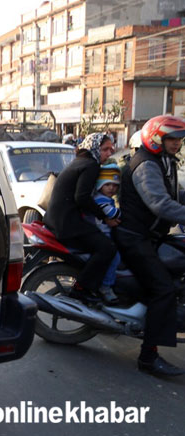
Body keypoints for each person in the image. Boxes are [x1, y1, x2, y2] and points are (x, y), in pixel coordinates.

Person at [112, 115, 185, 377]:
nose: (177, 144)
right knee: (163, 289)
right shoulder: (145, 165)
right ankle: (148, 357)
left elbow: (174, 195)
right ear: (156, 137)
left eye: (179, 139)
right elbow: (160, 204)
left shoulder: (163, 161)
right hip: (135, 237)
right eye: (172, 139)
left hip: (150, 234)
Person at [44, 132, 119, 304]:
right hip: (67, 223)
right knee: (107, 248)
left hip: (58, 220)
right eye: (105, 149)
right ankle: (82, 288)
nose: (109, 153)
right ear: (94, 147)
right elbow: (82, 198)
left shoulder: (80, 161)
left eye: (111, 149)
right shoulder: (91, 165)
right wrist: (105, 216)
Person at [87, 164, 122, 303]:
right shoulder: (100, 199)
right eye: (107, 184)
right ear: (100, 185)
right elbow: (112, 213)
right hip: (101, 233)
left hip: (104, 232)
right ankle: (106, 286)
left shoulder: (105, 198)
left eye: (115, 185)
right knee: (115, 257)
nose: (111, 188)